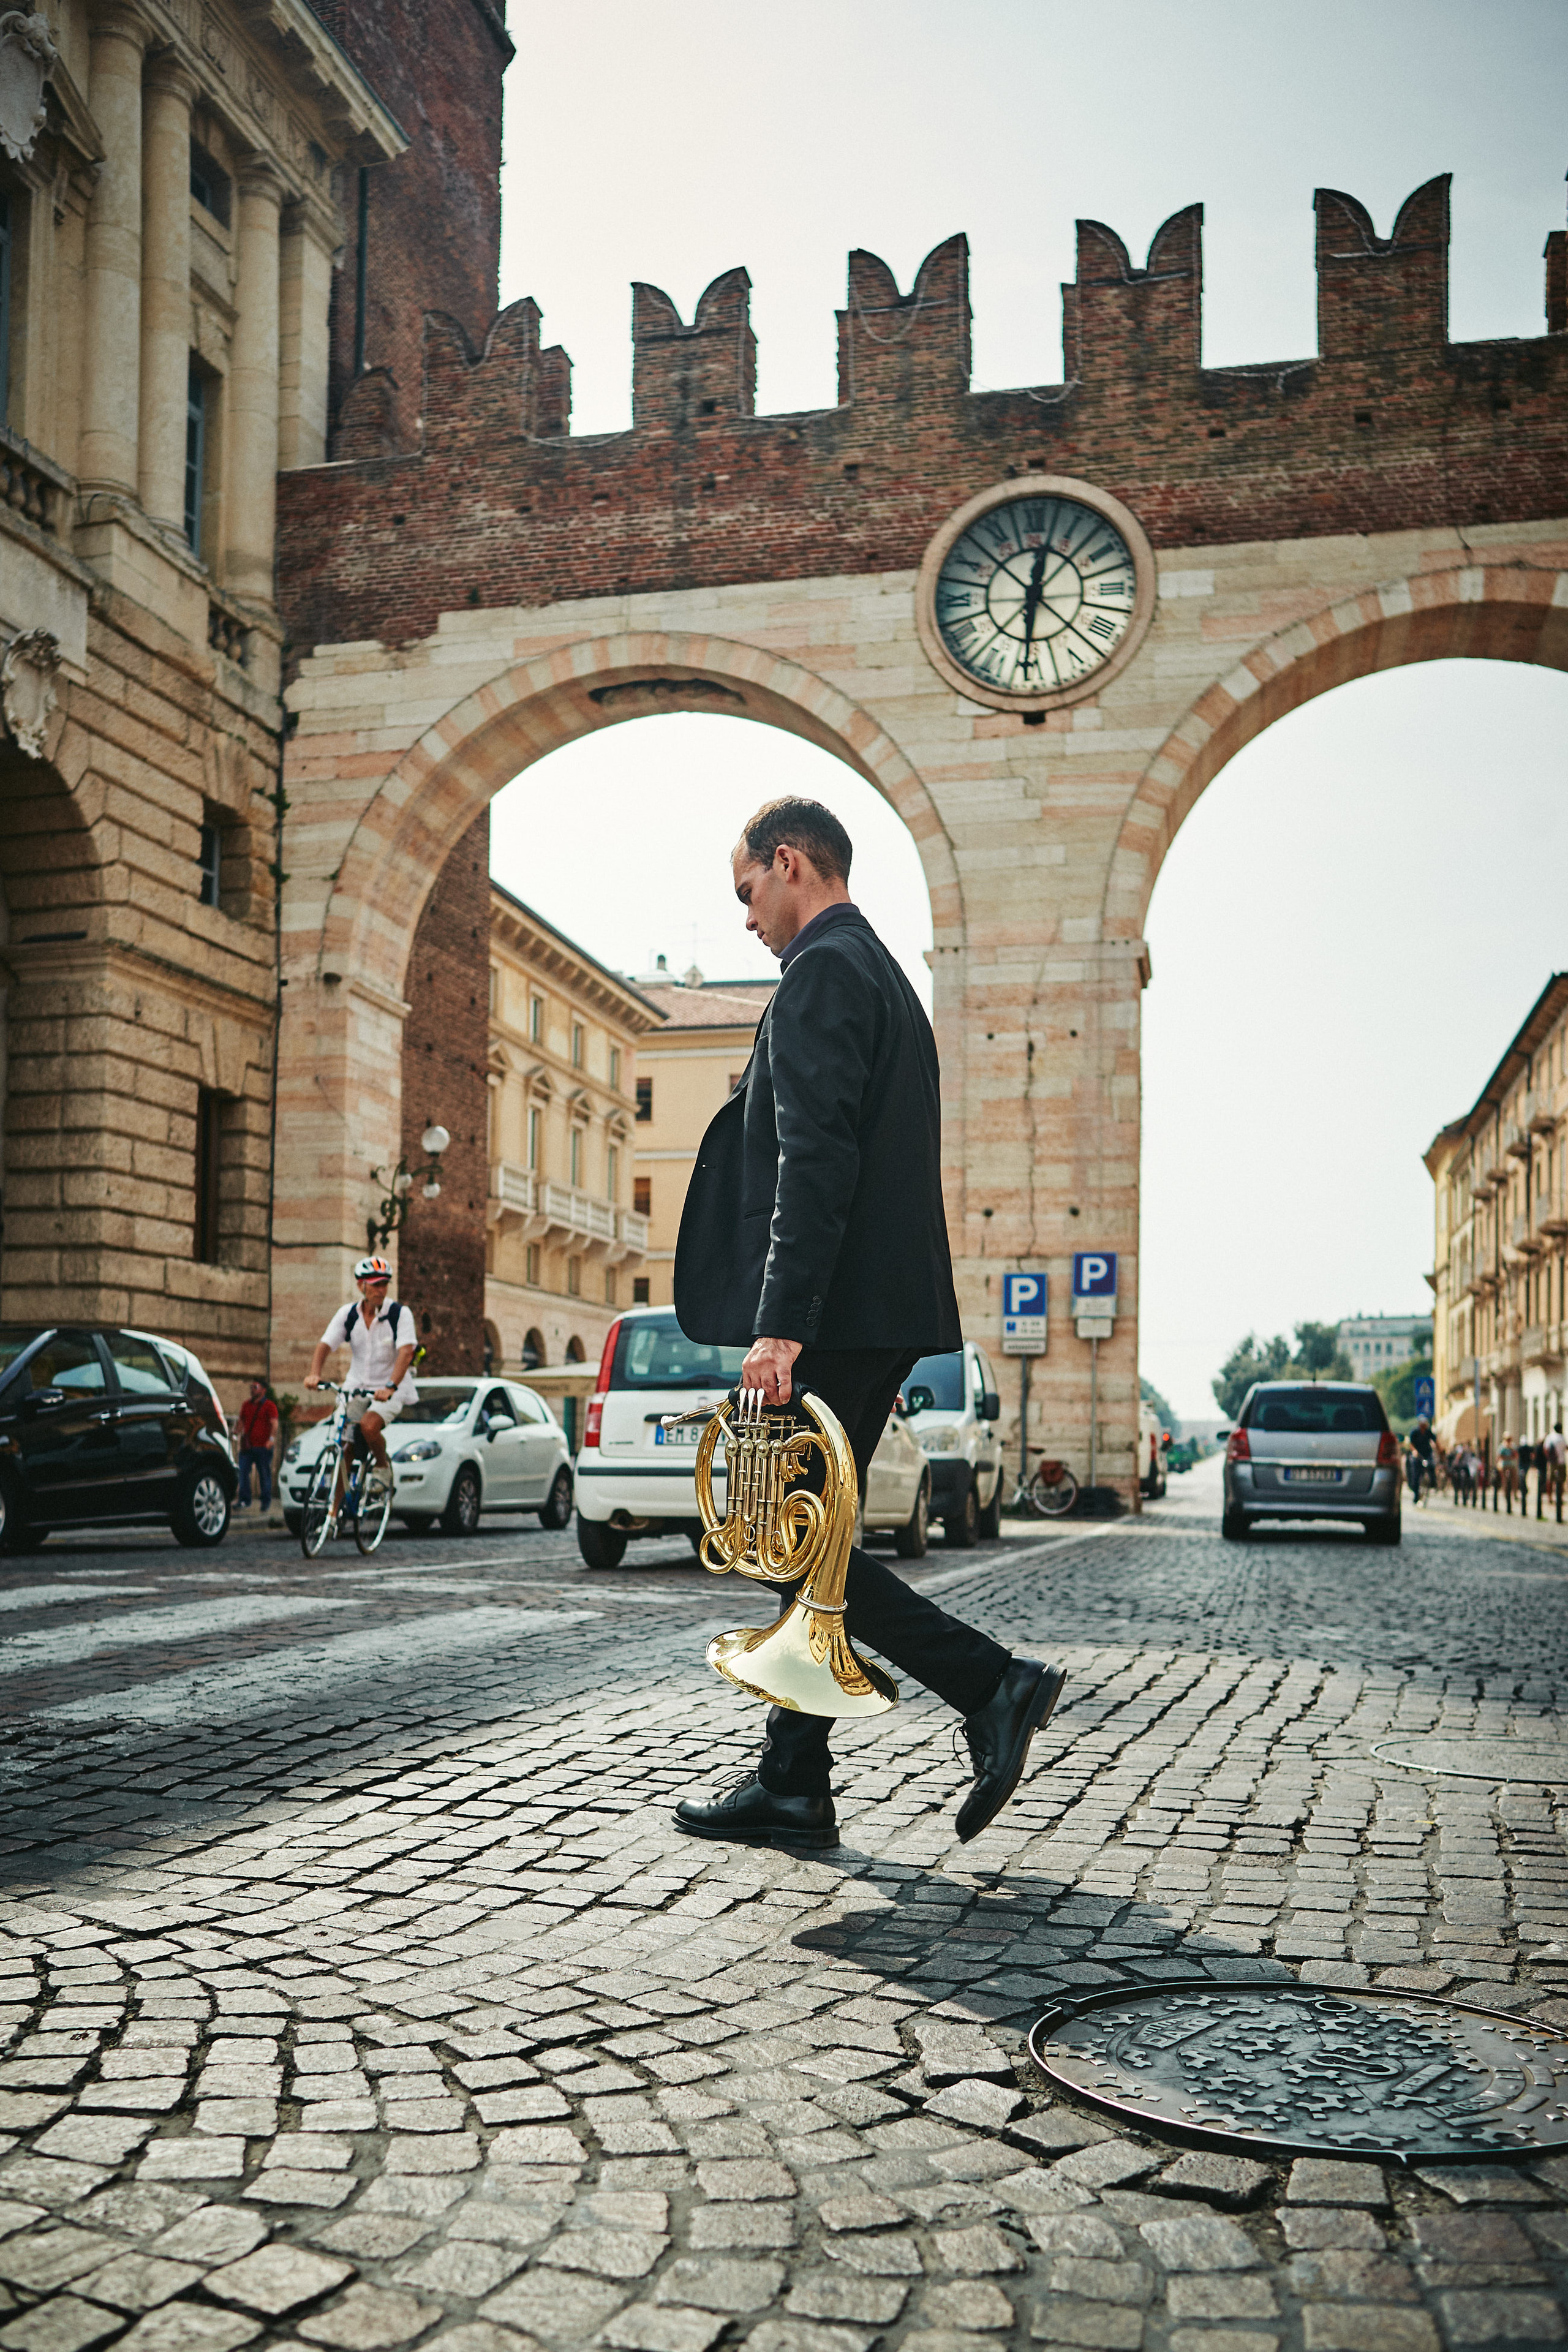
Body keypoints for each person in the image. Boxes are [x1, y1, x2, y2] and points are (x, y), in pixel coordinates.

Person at [671, 796, 1066, 1855]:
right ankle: (795, 1782)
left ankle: (992, 1683)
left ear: (788, 863)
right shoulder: (884, 973)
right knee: (807, 1532)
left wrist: (780, 1326)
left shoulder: (823, 976)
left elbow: (818, 1159)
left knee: (781, 1537)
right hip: (879, 1307)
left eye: (748, 891)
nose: (747, 917)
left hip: (835, 1315)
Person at [305, 1257, 418, 1510]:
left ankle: (381, 1467)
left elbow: (406, 1353)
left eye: (385, 1284)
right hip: (356, 1387)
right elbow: (325, 1345)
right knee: (345, 1446)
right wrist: (314, 1374)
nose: (381, 1290)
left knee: (368, 1426)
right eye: (376, 1284)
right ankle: (333, 1513)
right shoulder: (348, 1315)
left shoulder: (399, 1315)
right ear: (361, 1286)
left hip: (390, 1389)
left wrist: (390, 1387)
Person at [236, 1378, 279, 1513]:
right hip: (248, 1447)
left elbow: (274, 1424)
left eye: (255, 1387)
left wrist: (271, 1440)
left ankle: (265, 1502)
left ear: (263, 1390)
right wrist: (236, 1432)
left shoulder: (269, 1406)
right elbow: (241, 1421)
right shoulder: (246, 1405)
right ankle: (244, 1500)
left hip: (263, 1447)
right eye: (251, 1387)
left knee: (264, 1474)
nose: (252, 1390)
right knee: (243, 1472)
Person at [1407, 1414, 1434, 1505]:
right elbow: (1411, 1444)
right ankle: (1416, 1495)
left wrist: (1440, 1450)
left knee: (1432, 1466)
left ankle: (1433, 1483)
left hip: (1427, 1454)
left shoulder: (1428, 1432)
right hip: (1418, 1455)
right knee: (1416, 1475)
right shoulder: (1415, 1432)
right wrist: (1414, 1451)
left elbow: (1435, 1441)